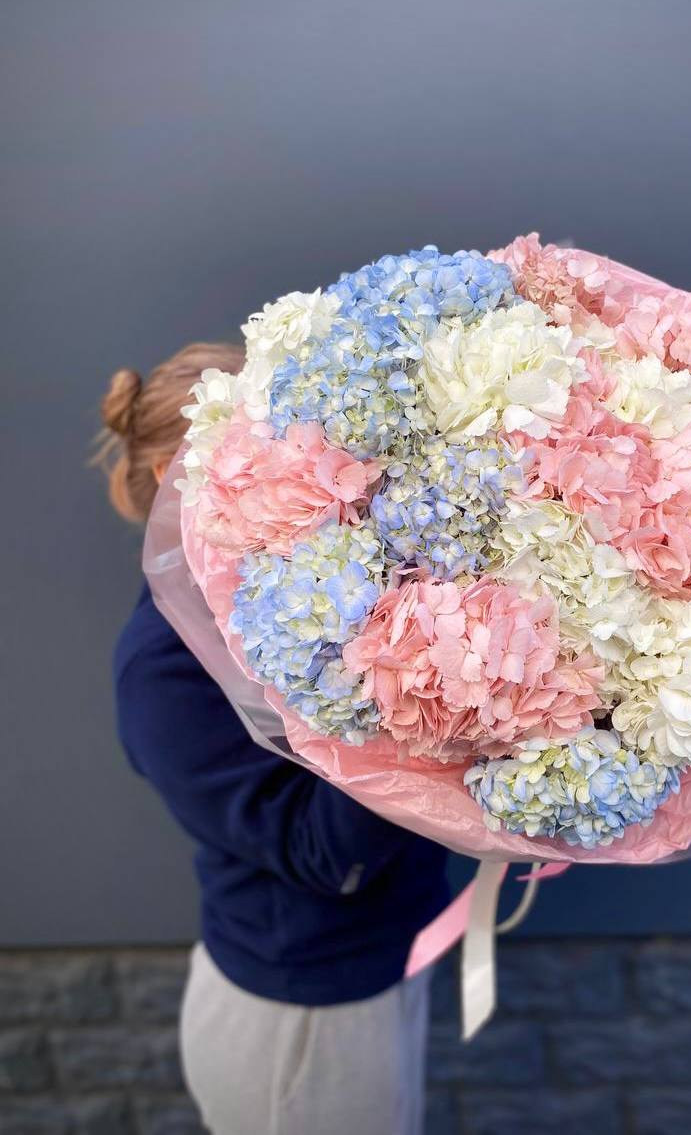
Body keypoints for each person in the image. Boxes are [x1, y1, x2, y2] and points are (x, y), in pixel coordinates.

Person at [97, 343, 450, 1135]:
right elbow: (324, 855)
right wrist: (429, 693)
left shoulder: (289, 583)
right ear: (171, 477)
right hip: (300, 1015)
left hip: (381, 963)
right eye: (260, 456)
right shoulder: (162, 669)